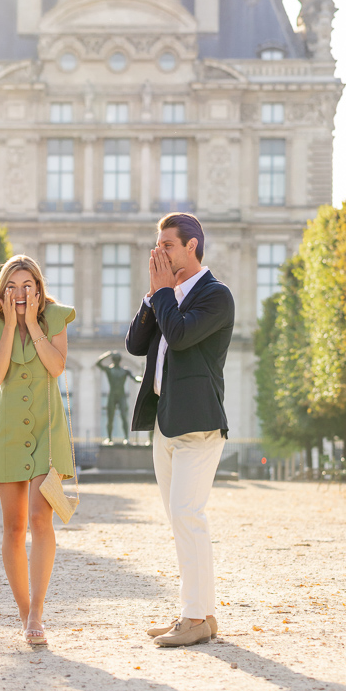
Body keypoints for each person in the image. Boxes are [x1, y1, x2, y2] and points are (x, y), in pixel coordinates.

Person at [126, 213, 235, 648]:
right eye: (158, 246)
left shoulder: (216, 296)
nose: (160, 254)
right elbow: (136, 344)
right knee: (181, 521)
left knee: (189, 516)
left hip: (198, 424)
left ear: (192, 246)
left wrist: (164, 293)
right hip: (165, 423)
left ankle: (193, 617)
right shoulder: (164, 295)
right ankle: (201, 614)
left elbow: (182, 335)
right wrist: (151, 297)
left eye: (167, 246)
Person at [0, 254, 76, 646]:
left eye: (27, 285)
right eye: (12, 287)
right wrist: (10, 326)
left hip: (47, 432)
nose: (20, 293)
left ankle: (37, 610)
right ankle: (22, 611)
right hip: (9, 436)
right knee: (14, 527)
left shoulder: (57, 317)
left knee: (40, 519)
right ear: (3, 292)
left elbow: (57, 366)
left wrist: (32, 323)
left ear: (38, 287)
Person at [95, 351, 140, 444]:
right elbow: (97, 363)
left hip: (121, 396)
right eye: (114, 359)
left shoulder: (125, 371)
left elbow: (135, 378)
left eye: (117, 359)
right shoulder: (109, 370)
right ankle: (109, 438)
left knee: (124, 416)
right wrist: (107, 354)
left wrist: (141, 379)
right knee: (110, 418)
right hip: (112, 396)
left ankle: (126, 438)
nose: (116, 360)